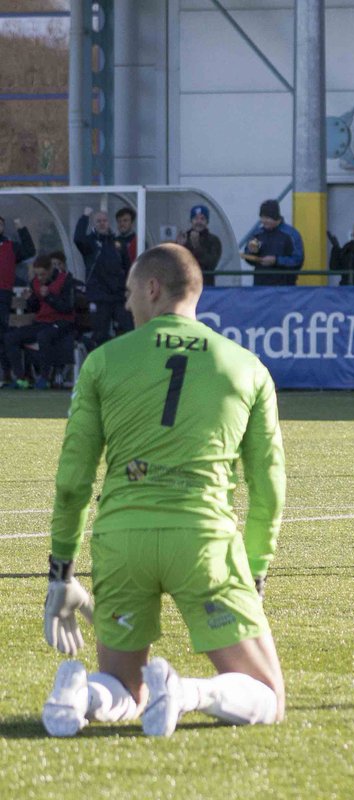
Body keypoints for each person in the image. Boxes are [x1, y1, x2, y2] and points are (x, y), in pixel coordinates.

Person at [40, 243, 286, 739]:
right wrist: (255, 571)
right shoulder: (247, 367)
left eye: (131, 292)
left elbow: (72, 482)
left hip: (122, 541)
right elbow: (269, 490)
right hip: (203, 541)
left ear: (152, 289)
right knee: (269, 695)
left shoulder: (104, 362)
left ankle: (80, 693)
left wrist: (61, 572)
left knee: (122, 688)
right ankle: (189, 692)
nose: (128, 303)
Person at [3, 252, 75, 389]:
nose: (40, 278)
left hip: (61, 322)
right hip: (42, 323)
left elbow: (67, 307)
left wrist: (49, 296)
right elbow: (35, 307)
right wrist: (30, 298)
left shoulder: (65, 280)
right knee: (10, 337)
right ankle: (21, 378)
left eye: (42, 274)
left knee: (44, 336)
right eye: (37, 275)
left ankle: (44, 378)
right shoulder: (35, 283)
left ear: (50, 270)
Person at [75, 207, 131, 348]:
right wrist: (85, 217)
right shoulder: (90, 243)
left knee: (128, 328)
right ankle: (102, 366)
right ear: (94, 224)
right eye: (98, 221)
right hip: (99, 297)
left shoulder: (117, 243)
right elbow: (78, 238)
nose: (102, 223)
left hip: (118, 296)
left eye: (104, 220)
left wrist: (128, 288)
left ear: (109, 223)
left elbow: (128, 267)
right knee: (100, 335)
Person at [0, 215, 35, 380]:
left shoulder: (10, 246)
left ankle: (8, 373)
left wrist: (21, 228)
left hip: (4, 295)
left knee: (5, 333)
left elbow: (30, 250)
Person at [243, 200, 304, 286]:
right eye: (262, 217)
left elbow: (298, 261)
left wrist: (276, 261)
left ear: (276, 217)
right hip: (260, 286)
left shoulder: (291, 235)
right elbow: (248, 256)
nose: (264, 221)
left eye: (267, 218)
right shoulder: (257, 234)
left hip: (285, 288)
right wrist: (251, 252)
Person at [176, 205, 223, 286]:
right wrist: (179, 247)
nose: (199, 222)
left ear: (207, 222)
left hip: (206, 286)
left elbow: (211, 264)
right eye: (196, 219)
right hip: (186, 286)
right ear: (191, 221)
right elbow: (176, 263)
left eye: (202, 219)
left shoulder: (213, 240)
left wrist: (196, 246)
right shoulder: (184, 237)